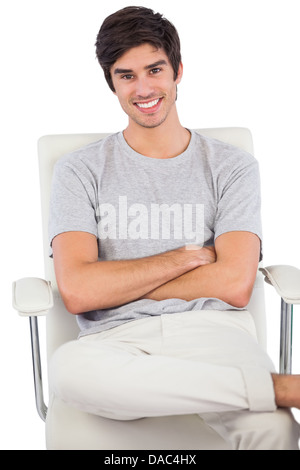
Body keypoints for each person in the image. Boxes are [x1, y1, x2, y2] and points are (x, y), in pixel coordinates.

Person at [49, 6, 300, 449]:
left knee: (276, 430)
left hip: (215, 332)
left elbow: (235, 284)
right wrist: (181, 260)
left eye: (154, 69)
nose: (143, 88)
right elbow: (79, 292)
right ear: (112, 83)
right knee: (70, 371)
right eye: (126, 75)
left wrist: (117, 282)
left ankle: (257, 393)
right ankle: (277, 388)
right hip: (114, 340)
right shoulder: (78, 171)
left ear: (178, 71)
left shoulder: (232, 166)